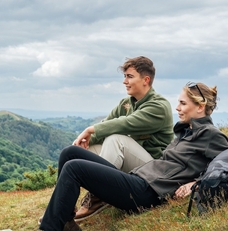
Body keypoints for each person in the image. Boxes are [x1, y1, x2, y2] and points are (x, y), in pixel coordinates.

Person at [23, 82, 228, 231]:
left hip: (147, 192)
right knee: (70, 153)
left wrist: (196, 183)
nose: (177, 107)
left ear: (200, 107)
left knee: (74, 168)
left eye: (182, 103)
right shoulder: (188, 131)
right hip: (140, 178)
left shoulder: (211, 135)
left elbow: (227, 164)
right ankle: (66, 223)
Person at [71, 56, 174, 220]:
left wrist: (90, 129)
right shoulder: (126, 103)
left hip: (153, 168)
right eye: (125, 76)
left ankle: (98, 196)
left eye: (129, 76)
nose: (125, 81)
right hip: (133, 165)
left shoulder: (159, 106)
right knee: (81, 152)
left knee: (116, 139)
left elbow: (125, 124)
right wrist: (85, 141)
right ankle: (67, 208)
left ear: (145, 80)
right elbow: (107, 124)